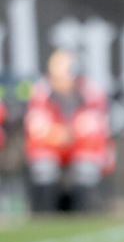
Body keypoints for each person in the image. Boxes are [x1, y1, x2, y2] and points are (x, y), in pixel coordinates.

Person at [24, 50, 114, 213]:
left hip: (80, 146)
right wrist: (59, 135)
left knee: (86, 167)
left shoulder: (90, 92)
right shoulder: (41, 91)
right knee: (43, 166)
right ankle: (44, 216)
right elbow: (37, 128)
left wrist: (68, 134)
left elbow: (94, 127)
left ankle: (84, 215)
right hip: (51, 148)